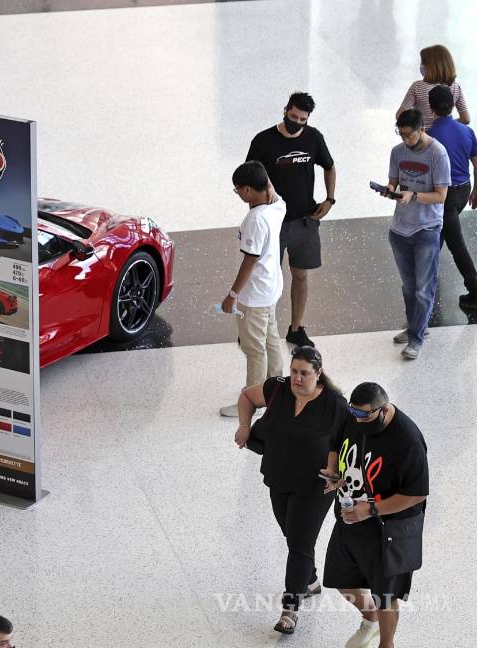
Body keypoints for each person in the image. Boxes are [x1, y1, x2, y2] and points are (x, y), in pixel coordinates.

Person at [234, 346, 347, 635]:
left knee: (298, 543)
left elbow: (351, 441)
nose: (296, 378)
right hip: (279, 478)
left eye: (304, 373)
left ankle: (290, 608)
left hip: (315, 486)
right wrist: (244, 426)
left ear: (318, 373)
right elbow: (247, 396)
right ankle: (309, 580)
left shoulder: (335, 404)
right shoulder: (279, 388)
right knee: (292, 534)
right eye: (294, 371)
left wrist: (339, 473)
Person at [320, 382, 428, 648]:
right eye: (353, 413)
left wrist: (369, 510)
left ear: (383, 410)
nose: (356, 419)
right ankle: (371, 621)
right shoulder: (353, 416)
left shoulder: (408, 439)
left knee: (385, 594)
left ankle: (386, 644)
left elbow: (417, 494)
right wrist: (334, 471)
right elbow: (336, 443)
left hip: (387, 527)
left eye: (363, 415)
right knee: (341, 580)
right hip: (351, 516)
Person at [246, 92, 336, 348]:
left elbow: (329, 166)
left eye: (302, 119)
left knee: (300, 275)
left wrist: (329, 200)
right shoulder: (264, 141)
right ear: (285, 110)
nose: (296, 122)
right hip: (273, 222)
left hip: (304, 220)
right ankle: (257, 327)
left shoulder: (313, 138)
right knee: (264, 277)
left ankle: (296, 329)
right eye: (293, 116)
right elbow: (248, 179)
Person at [219, 161, 286, 417]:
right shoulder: (277, 206)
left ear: (247, 190)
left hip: (254, 295)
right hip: (271, 289)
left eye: (238, 190)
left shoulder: (255, 220)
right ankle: (277, 390)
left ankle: (252, 399)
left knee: (254, 349)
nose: (238, 195)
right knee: (270, 341)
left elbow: (250, 260)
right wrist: (264, 178)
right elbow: (272, 190)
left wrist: (233, 295)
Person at [386, 109, 451, 359]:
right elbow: (393, 179)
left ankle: (417, 337)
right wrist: (390, 189)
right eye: (400, 134)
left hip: (426, 228)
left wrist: (413, 196)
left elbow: (441, 195)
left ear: (421, 129)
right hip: (400, 229)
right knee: (409, 286)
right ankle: (415, 326)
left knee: (424, 288)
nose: (404, 140)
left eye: (408, 135)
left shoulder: (438, 153)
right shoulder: (397, 152)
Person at [426, 84, 477, 309]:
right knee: (439, 235)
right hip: (464, 190)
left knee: (456, 244)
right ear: (454, 105)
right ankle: (425, 278)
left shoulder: (430, 136)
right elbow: (476, 162)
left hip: (444, 196)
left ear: (431, 108)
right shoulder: (466, 130)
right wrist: (476, 190)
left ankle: (475, 288)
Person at [397, 44, 470, 130]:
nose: (421, 66)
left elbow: (400, 115)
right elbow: (466, 119)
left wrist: (418, 129)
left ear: (431, 66)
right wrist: (446, 126)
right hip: (445, 137)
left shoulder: (417, 86)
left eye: (423, 63)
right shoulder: (455, 87)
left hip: (424, 139)